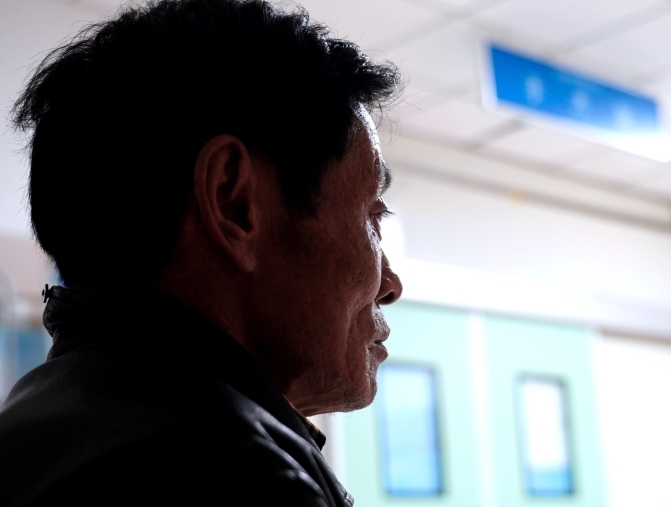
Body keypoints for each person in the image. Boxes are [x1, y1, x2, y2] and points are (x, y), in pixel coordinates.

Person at [0, 0, 403, 505]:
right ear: (233, 202)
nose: (391, 285)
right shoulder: (224, 471)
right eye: (372, 217)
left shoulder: (41, 427)